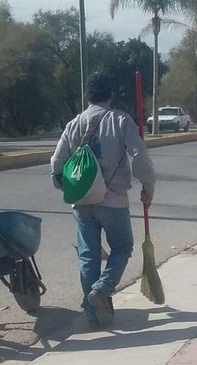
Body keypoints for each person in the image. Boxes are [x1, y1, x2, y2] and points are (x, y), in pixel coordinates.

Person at [50, 73, 156, 329]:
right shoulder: (120, 120)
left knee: (89, 255)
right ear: (110, 95)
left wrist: (65, 185)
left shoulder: (74, 124)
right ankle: (102, 288)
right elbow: (139, 154)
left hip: (82, 202)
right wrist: (148, 185)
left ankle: (91, 314)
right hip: (113, 199)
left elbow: (56, 163)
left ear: (87, 96)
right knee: (122, 247)